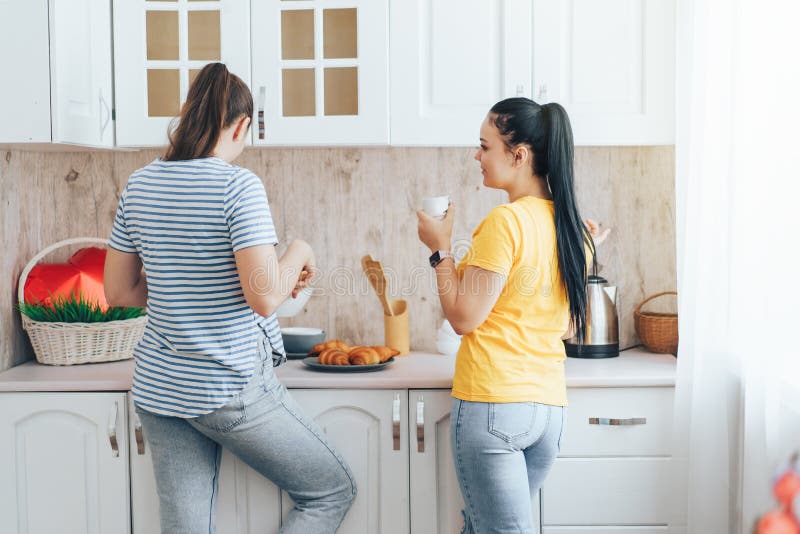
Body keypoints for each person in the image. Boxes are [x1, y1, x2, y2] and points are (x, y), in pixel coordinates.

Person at [103, 63, 355, 534]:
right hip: (228, 388)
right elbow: (263, 299)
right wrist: (298, 251)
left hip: (161, 391)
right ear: (242, 126)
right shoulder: (238, 186)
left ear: (188, 115)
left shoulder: (140, 185)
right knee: (331, 490)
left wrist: (182, 286)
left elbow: (118, 291)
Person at [417, 97, 596, 533]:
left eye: (484, 146)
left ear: (519, 156)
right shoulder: (574, 229)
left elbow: (463, 317)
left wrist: (440, 249)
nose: (476, 156)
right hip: (548, 412)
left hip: (495, 406)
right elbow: (570, 326)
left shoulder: (506, 223)